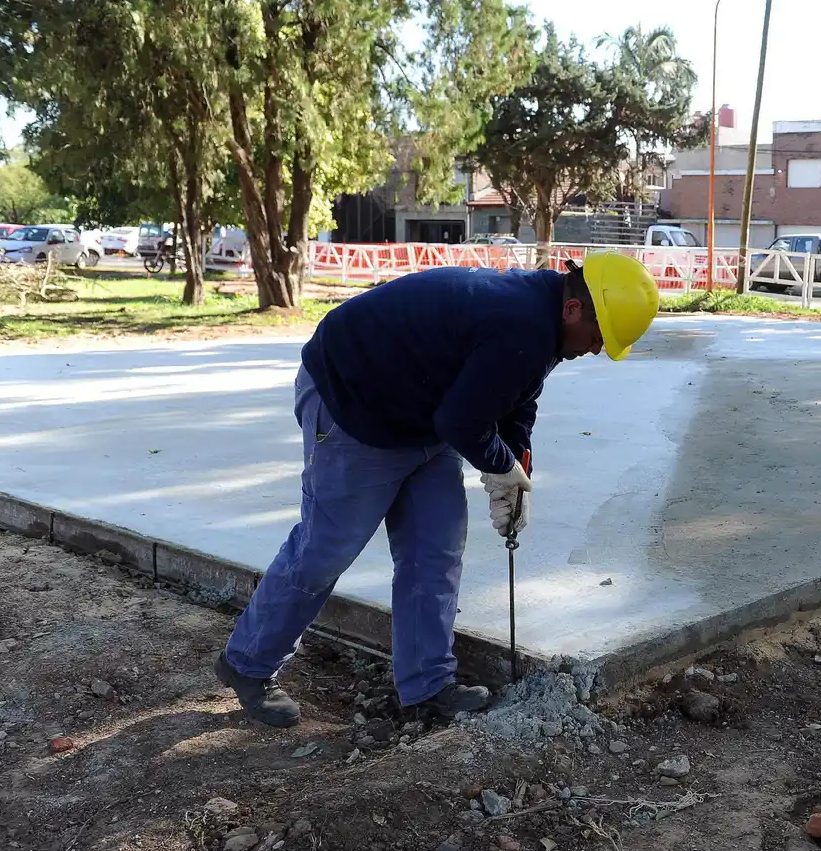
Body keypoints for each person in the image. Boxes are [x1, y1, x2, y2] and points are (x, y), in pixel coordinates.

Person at [214, 253, 661, 727]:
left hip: (425, 413)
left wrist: (515, 473)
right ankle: (248, 664)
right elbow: (462, 421)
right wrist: (498, 468)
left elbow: (516, 403)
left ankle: (427, 685)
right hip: (354, 403)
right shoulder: (523, 322)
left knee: (436, 547)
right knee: (326, 550)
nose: (595, 349)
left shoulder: (549, 321)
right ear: (576, 311)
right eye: (598, 338)